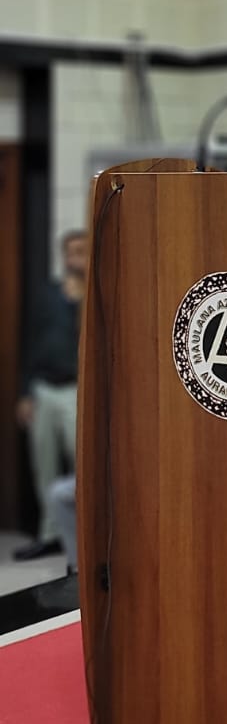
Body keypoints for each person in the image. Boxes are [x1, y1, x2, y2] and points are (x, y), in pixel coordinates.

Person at [13, 229, 88, 562]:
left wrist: (79, 300)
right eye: (70, 252)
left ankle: (84, 534)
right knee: (43, 465)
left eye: (81, 252)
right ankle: (49, 534)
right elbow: (30, 343)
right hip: (44, 387)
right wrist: (25, 392)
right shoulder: (48, 295)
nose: (75, 259)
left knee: (81, 463)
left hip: (76, 389)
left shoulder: (94, 295)